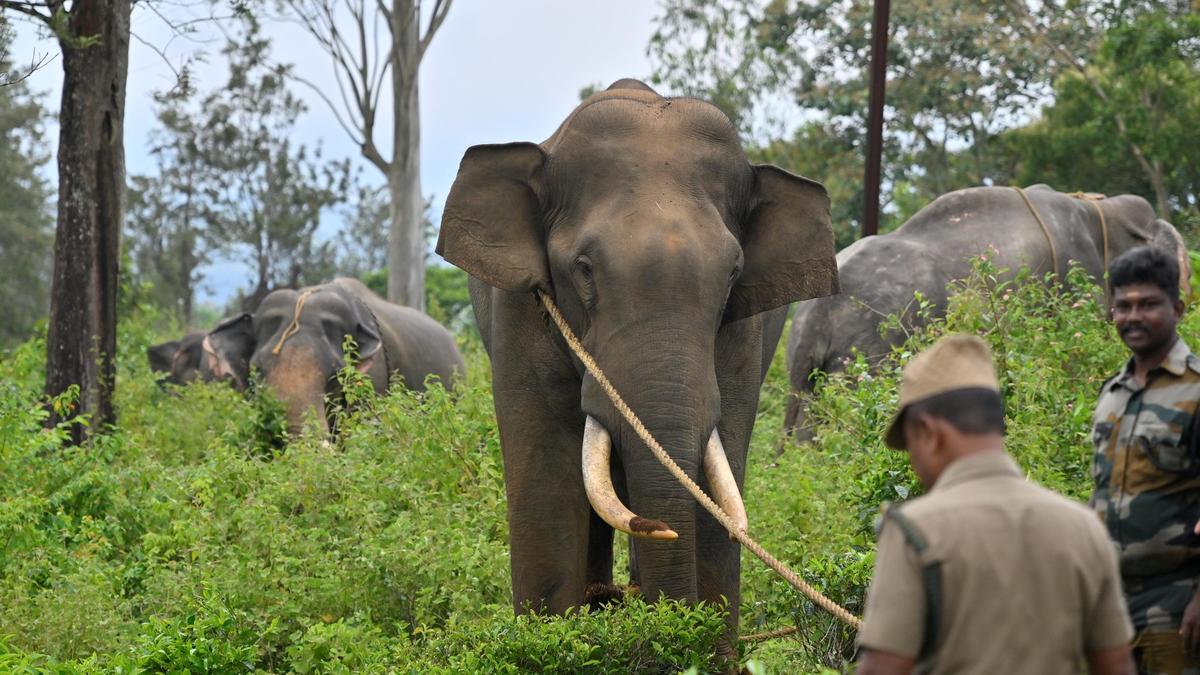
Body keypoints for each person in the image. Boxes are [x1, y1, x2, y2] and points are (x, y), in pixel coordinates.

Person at [856, 334, 1135, 675]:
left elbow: (882, 669)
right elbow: (1117, 664)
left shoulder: (915, 530)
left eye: (910, 444)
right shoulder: (1085, 527)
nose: (913, 461)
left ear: (929, 432)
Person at [1090, 245, 1200, 674]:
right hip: (1113, 602)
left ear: (1177, 308)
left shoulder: (1194, 389)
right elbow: (1105, 491)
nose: (1133, 316)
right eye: (1123, 306)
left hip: (1177, 600)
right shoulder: (1112, 393)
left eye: (1148, 304)